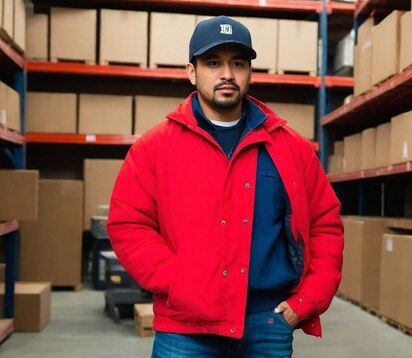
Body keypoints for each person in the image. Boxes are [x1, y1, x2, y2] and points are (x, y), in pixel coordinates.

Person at [107, 16, 344, 357]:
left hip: (268, 323)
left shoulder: (291, 148)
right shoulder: (155, 147)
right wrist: (177, 283)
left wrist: (308, 299)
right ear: (192, 72)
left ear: (249, 72)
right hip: (186, 326)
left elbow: (325, 224)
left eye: (237, 63)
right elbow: (129, 224)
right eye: (213, 63)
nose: (227, 74)